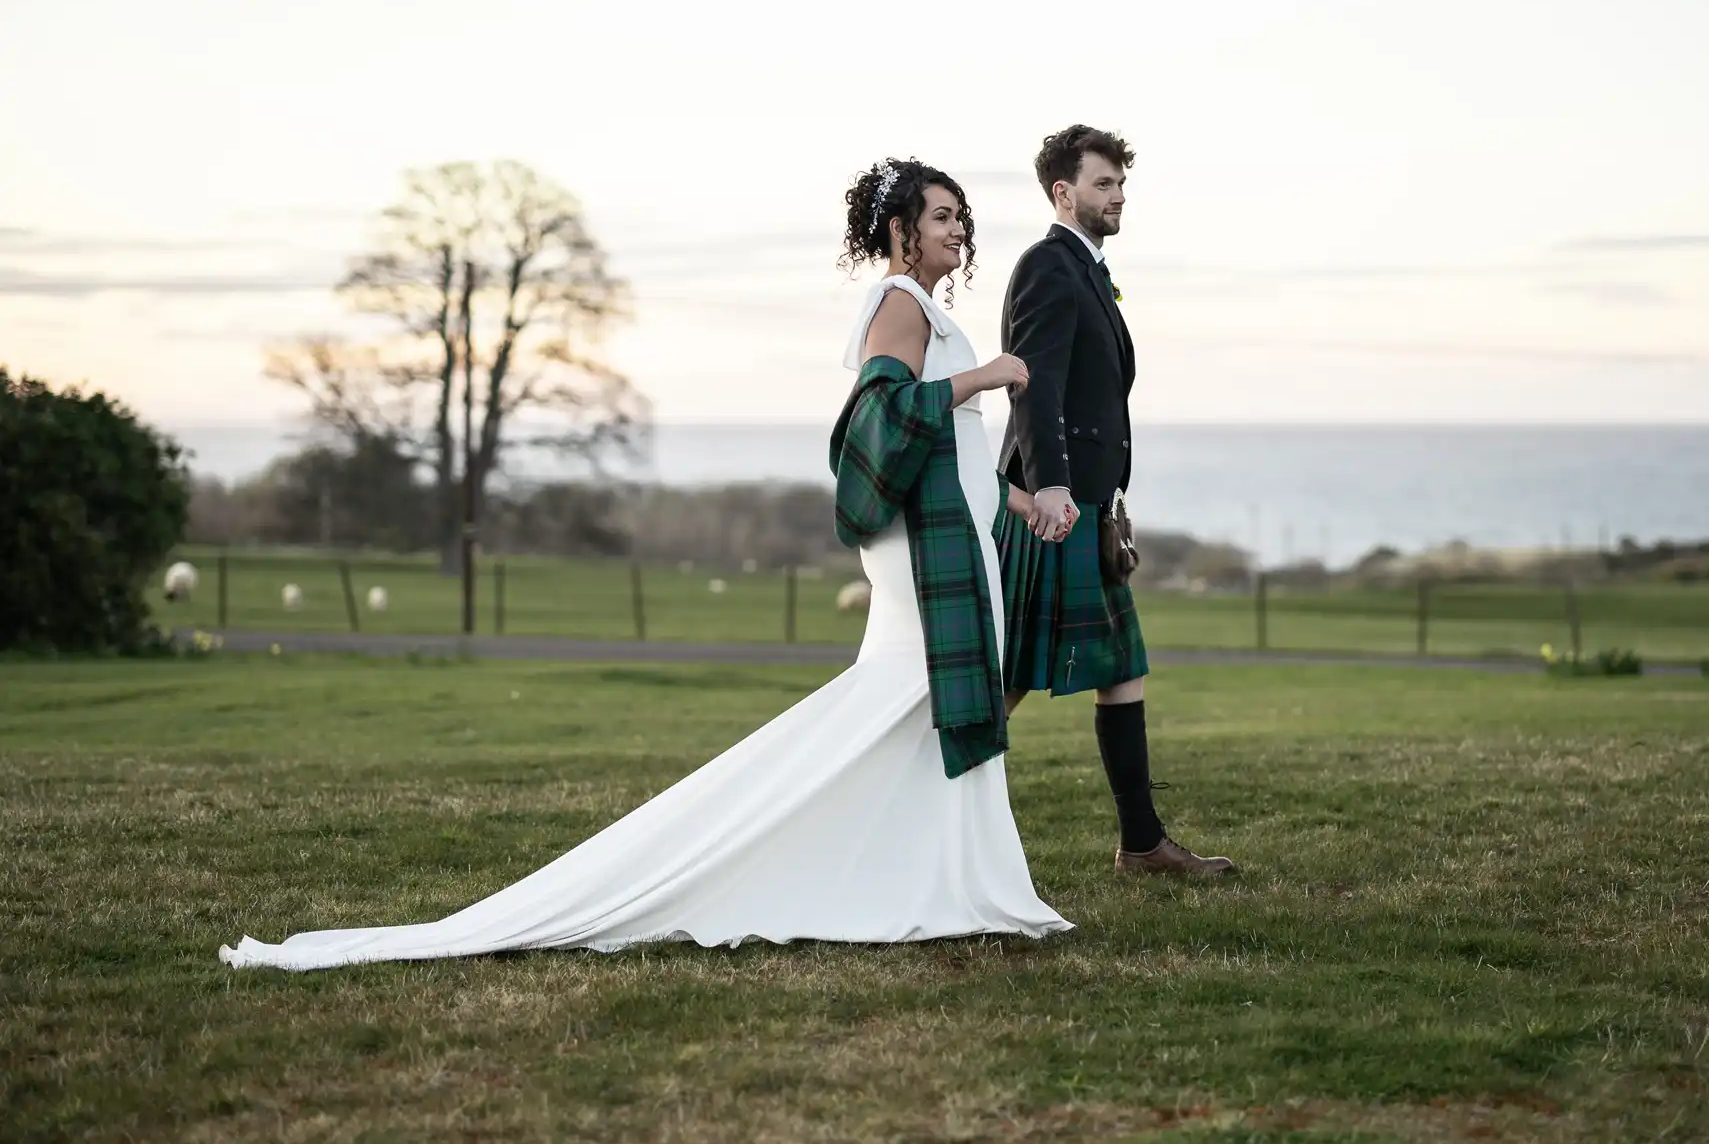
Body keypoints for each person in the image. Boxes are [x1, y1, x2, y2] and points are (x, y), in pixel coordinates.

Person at [218, 158, 1072, 971]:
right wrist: (987, 375)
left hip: (961, 536)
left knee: (919, 707)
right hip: (924, 554)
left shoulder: (922, 304)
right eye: (941, 216)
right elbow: (884, 417)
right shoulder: (900, 304)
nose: (959, 229)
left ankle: (944, 876)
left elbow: (954, 448)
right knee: (900, 696)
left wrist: (1018, 501)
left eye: (962, 215)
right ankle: (851, 867)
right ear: (898, 230)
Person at [997, 124, 1235, 877]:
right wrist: (1054, 485)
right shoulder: (1048, 266)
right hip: (1052, 509)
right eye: (1103, 184)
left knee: (1123, 667)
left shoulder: (1089, 270)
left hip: (1090, 506)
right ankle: (919, 827)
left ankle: (1142, 843)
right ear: (1063, 193)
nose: (1118, 195)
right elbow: (1033, 380)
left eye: (1121, 184)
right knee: (1001, 682)